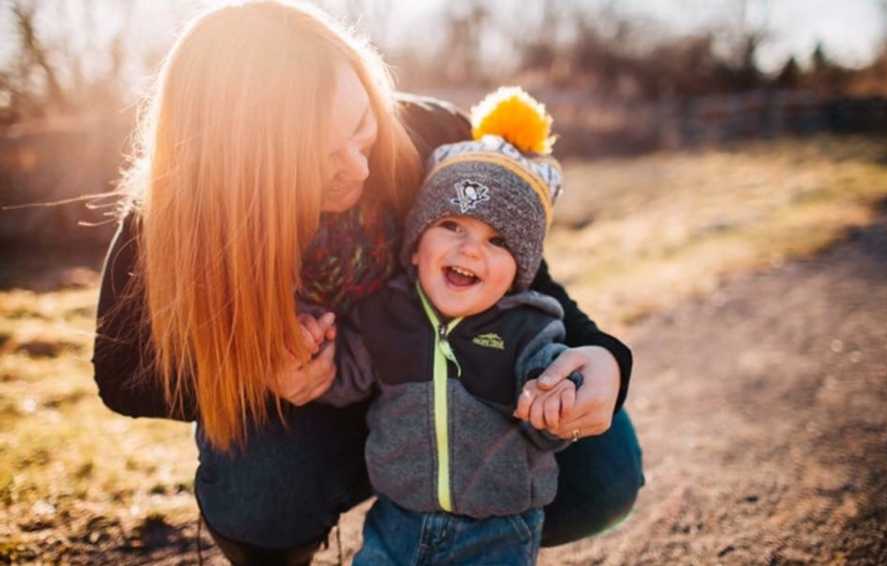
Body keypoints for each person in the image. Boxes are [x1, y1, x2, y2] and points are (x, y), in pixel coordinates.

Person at [91, 2, 643, 564]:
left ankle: (461, 528)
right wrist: (256, 369)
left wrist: (604, 355)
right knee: (263, 493)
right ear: (238, 176)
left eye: (361, 131)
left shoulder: (434, 138)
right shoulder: (172, 214)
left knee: (602, 482)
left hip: (460, 393)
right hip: (313, 414)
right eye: (320, 163)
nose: (358, 168)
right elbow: (122, 376)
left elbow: (527, 278)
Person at [301, 87, 587, 564]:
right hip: (396, 522)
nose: (470, 249)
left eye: (496, 241)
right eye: (451, 226)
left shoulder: (529, 330)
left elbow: (551, 417)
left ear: (521, 271)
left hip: (497, 530)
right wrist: (314, 356)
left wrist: (556, 403)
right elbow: (344, 377)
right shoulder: (386, 313)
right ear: (414, 245)